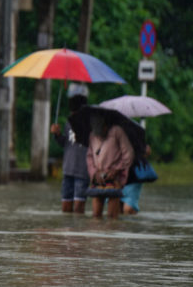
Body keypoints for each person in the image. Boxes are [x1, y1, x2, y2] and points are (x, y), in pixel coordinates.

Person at [86, 111, 135, 219]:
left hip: (114, 178)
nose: (99, 134)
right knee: (95, 216)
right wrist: (94, 173)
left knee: (112, 217)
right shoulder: (92, 135)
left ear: (106, 126)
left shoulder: (117, 131)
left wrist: (116, 170)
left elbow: (128, 154)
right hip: (98, 178)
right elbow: (89, 157)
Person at [50, 83, 90, 214]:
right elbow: (66, 144)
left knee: (79, 208)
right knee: (66, 209)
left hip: (82, 171)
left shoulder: (89, 121)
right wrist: (57, 135)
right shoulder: (68, 121)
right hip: (68, 170)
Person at [122, 144, 152, 215]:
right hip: (117, 174)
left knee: (128, 208)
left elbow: (147, 150)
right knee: (117, 208)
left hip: (133, 174)